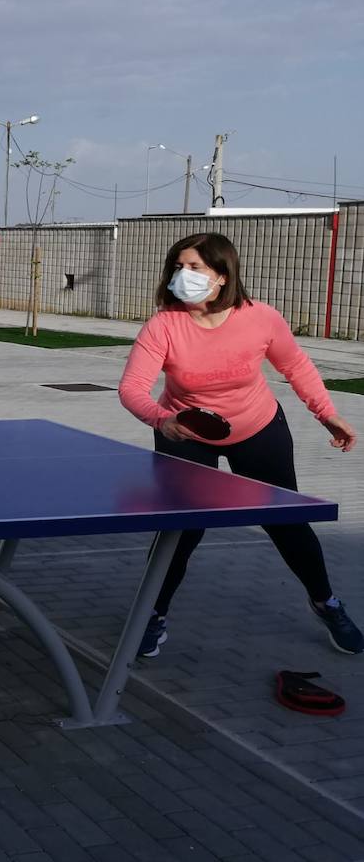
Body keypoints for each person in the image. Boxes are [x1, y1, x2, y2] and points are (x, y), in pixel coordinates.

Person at [118, 232, 359, 659]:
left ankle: (327, 603)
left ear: (222, 275)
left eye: (194, 267)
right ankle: (152, 614)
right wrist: (163, 420)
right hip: (183, 431)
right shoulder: (164, 325)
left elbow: (296, 365)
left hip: (258, 426)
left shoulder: (261, 317)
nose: (182, 275)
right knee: (180, 531)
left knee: (286, 522)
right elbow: (133, 388)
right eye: (177, 267)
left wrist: (326, 412)